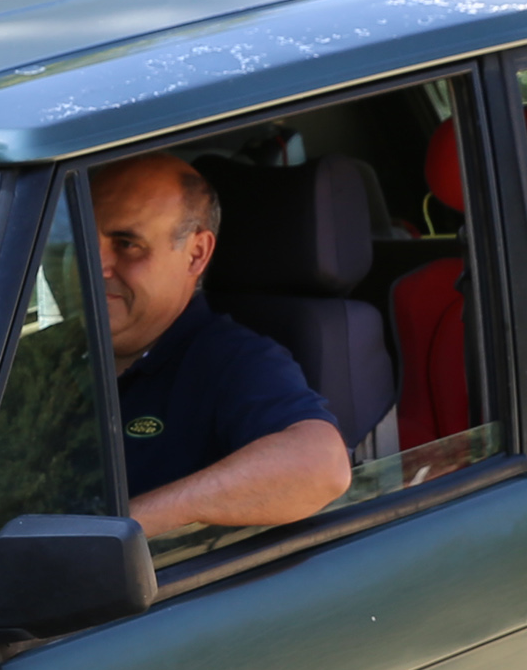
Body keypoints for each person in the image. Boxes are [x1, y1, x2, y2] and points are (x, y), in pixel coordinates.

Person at [90, 153, 352, 538]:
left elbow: (320, 465)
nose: (95, 265)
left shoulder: (233, 363)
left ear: (196, 253)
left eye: (127, 244)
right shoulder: (37, 358)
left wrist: (117, 532)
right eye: (82, 239)